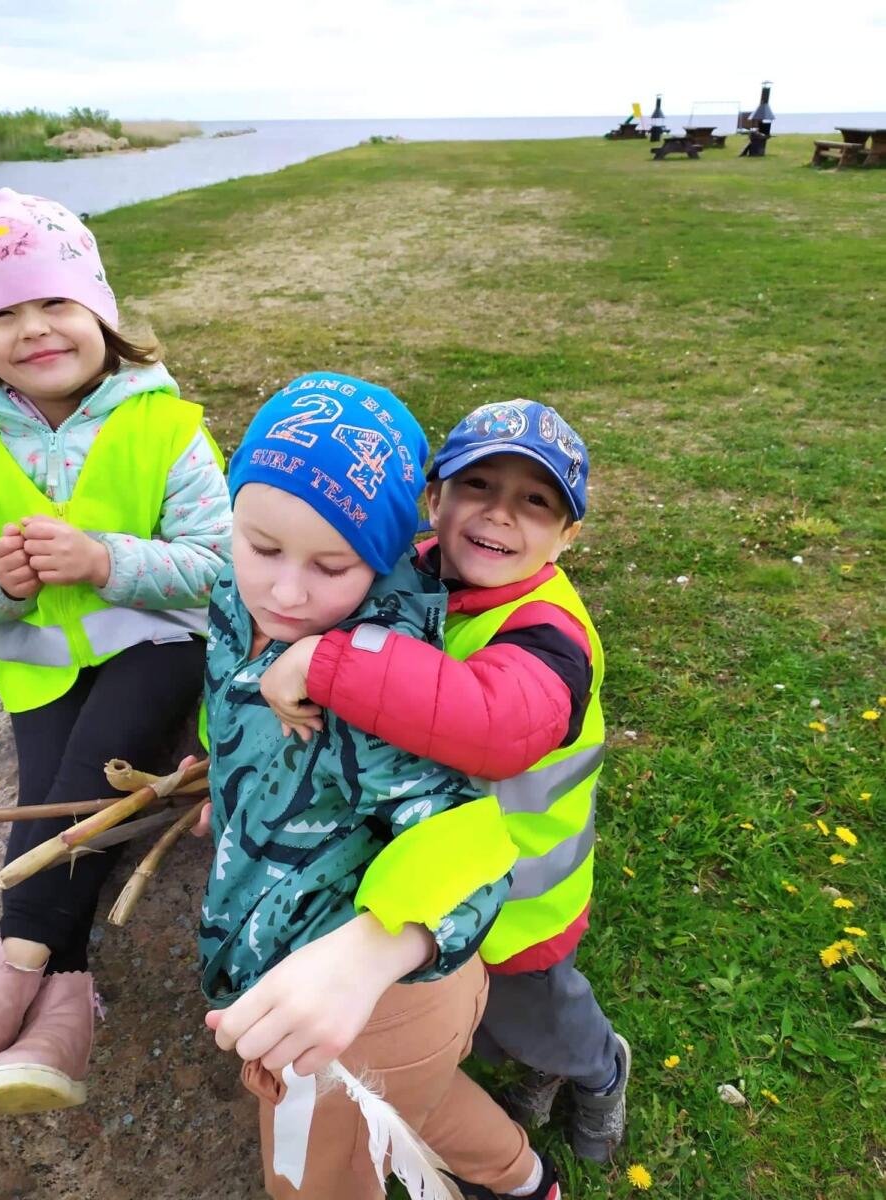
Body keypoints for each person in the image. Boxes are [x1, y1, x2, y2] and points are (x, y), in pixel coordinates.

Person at [198, 372, 561, 1200]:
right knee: (410, 1098)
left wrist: (372, 952)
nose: (286, 591)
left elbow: (473, 844)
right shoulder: (236, 594)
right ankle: (522, 1179)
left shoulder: (371, 684)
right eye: (260, 546)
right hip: (361, 1014)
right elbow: (234, 693)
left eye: (333, 564)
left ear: (388, 552)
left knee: (311, 1179)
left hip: (373, 1000)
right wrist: (227, 776)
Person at [261, 398, 630, 1164]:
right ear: (434, 499)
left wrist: (327, 664)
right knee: (482, 1016)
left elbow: (493, 724)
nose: (499, 514)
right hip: (441, 878)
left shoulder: (550, 635)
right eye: (477, 486)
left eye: (535, 501)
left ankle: (597, 1070)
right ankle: (535, 1066)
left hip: (520, 894)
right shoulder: (412, 572)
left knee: (537, 1011)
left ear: (566, 538)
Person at [0, 188, 231, 1115]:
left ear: (100, 311)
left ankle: (12, 963)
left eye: (54, 301)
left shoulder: (165, 425)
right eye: (3, 314)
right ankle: (65, 1008)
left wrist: (104, 561)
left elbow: (220, 569)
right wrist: (6, 588)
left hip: (159, 643)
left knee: (93, 766)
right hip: (38, 664)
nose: (33, 329)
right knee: (59, 795)